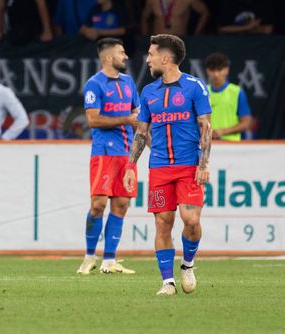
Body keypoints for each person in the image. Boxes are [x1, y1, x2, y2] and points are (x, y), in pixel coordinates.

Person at [123, 34, 212, 295]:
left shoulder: (195, 87)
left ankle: (187, 265)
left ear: (165, 57)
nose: (148, 60)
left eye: (151, 55)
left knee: (191, 219)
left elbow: (206, 126)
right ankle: (168, 282)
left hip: (188, 167)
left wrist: (204, 163)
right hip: (160, 168)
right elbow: (141, 132)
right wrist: (131, 165)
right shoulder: (148, 92)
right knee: (163, 222)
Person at [77, 37, 139, 275]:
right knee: (98, 204)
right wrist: (126, 119)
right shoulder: (94, 84)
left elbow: (137, 116)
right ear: (107, 57)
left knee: (122, 204)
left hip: (126, 153)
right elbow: (93, 120)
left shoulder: (129, 82)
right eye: (121, 52)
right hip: (104, 152)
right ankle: (89, 256)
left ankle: (109, 260)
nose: (125, 56)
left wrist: (151, 143)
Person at [204, 52, 251, 141]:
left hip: (231, 146)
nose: (216, 74)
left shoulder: (237, 92)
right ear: (207, 71)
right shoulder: (202, 92)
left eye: (219, 69)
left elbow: (246, 123)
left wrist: (223, 131)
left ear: (226, 70)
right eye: (212, 70)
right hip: (208, 144)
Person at [141, 0, 209, 36]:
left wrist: (196, 33)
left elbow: (204, 12)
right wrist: (145, 36)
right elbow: (145, 16)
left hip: (180, 40)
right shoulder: (152, 1)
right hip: (158, 41)